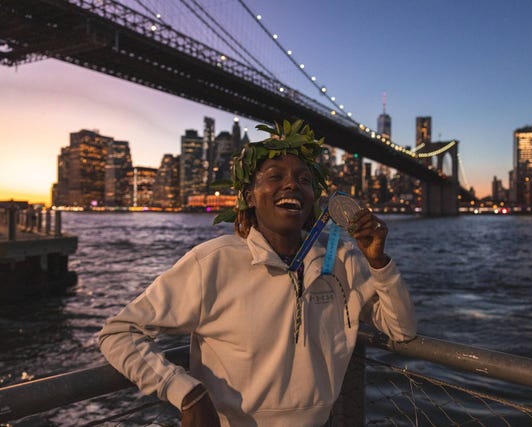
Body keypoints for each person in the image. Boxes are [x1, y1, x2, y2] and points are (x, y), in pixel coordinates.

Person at [99, 119, 416, 426]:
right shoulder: (214, 263)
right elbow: (119, 333)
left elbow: (401, 330)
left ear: (314, 200)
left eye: (304, 180)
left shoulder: (342, 261)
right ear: (249, 197)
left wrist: (379, 262)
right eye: (275, 177)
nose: (291, 184)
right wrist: (186, 392)